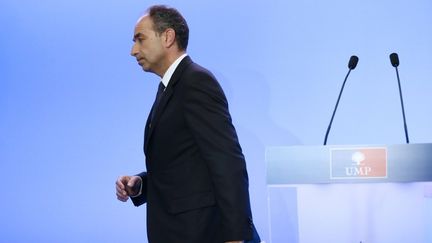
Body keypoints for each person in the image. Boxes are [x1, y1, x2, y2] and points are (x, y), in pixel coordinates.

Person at [115, 5, 260, 243]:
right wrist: (140, 184)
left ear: (168, 37)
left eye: (140, 39)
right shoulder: (168, 88)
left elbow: (228, 163)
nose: (133, 50)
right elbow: (186, 170)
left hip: (201, 233)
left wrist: (236, 237)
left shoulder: (195, 82)